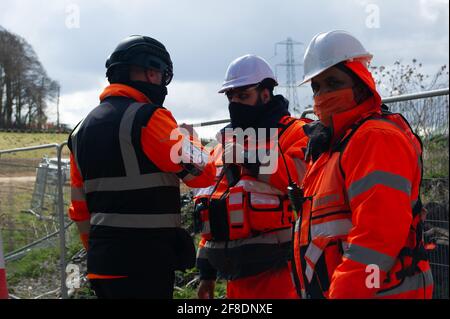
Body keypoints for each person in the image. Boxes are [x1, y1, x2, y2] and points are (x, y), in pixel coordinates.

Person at [67, 35, 215, 299]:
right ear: (150, 73)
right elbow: (204, 174)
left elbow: (79, 210)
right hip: (145, 266)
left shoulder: (80, 131)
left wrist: (102, 251)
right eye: (160, 75)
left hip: (103, 266)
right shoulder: (150, 119)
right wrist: (189, 138)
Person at [293, 30, 433, 299]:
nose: (322, 95)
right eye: (317, 87)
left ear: (360, 83)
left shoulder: (374, 138)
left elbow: (377, 237)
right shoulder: (331, 147)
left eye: (333, 83)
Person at [195, 54, 311, 299]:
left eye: (243, 95)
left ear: (265, 94)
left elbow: (304, 179)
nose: (235, 103)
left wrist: (251, 159)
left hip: (283, 275)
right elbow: (213, 204)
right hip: (235, 280)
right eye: (231, 97)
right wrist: (206, 273)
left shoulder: (295, 132)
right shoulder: (223, 144)